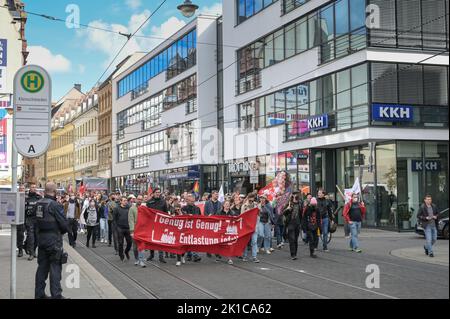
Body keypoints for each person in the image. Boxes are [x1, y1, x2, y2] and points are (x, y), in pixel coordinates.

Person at [34, 182, 69, 299]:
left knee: (42, 268)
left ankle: (39, 294)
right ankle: (56, 295)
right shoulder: (55, 205)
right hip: (53, 241)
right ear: (54, 192)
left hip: (41, 239)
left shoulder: (38, 203)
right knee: (55, 268)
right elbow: (64, 225)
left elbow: (35, 222)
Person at [146, 188, 167, 263]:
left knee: (160, 239)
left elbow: (166, 213)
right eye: (156, 192)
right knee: (151, 240)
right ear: (153, 193)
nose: (158, 193)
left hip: (160, 224)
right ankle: (151, 255)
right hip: (152, 224)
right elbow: (147, 214)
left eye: (159, 192)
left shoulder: (163, 202)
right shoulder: (149, 202)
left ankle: (161, 256)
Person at [24, 183, 42, 260]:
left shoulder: (39, 197)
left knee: (37, 238)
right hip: (29, 219)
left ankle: (33, 251)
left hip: (37, 220)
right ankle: (31, 253)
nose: (34, 188)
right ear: (29, 188)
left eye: (35, 187)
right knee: (31, 237)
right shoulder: (26, 197)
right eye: (32, 187)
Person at [181, 194, 202, 262]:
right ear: (187, 201)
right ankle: (189, 254)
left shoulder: (197, 208)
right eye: (191, 201)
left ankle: (194, 255)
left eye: (193, 201)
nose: (193, 202)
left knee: (194, 241)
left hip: (195, 227)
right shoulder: (183, 208)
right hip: (187, 228)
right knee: (188, 241)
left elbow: (200, 217)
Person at [113, 197, 133, 262]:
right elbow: (114, 219)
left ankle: (126, 251)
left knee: (129, 242)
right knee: (120, 242)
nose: (125, 202)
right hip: (120, 228)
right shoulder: (116, 208)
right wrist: (116, 227)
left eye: (126, 200)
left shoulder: (129, 208)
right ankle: (121, 255)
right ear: (121, 201)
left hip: (127, 228)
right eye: (124, 201)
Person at [284, 193, 302, 260]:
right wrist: (287, 209)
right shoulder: (289, 204)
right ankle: (293, 254)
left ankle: (295, 253)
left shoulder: (300, 204)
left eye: (296, 197)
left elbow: (301, 214)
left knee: (296, 240)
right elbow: (284, 213)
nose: (295, 198)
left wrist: (301, 224)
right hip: (290, 224)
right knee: (292, 239)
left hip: (297, 224)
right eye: (294, 197)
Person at [242, 193, 259, 263]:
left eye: (253, 198)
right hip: (247, 227)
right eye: (250, 198)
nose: (251, 199)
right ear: (248, 198)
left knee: (254, 242)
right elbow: (242, 216)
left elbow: (259, 213)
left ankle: (254, 256)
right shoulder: (244, 206)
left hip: (254, 226)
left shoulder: (256, 205)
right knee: (246, 242)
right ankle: (245, 256)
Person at [129, 195, 146, 267]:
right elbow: (131, 220)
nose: (139, 200)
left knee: (142, 246)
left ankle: (141, 260)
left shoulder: (144, 208)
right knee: (135, 247)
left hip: (142, 230)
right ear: (136, 200)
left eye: (141, 199)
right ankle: (137, 259)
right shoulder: (132, 209)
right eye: (138, 199)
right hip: (135, 230)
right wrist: (132, 231)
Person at [220, 200, 236, 265]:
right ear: (223, 205)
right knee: (221, 244)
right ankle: (218, 255)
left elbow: (236, 219)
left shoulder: (232, 212)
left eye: (228, 204)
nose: (227, 205)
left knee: (230, 244)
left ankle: (229, 258)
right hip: (221, 231)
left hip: (229, 231)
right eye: (226, 204)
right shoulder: (219, 212)